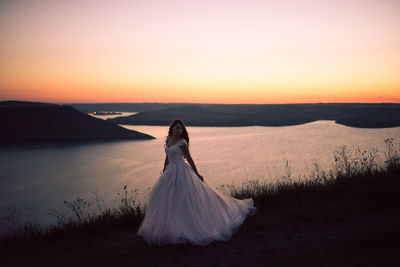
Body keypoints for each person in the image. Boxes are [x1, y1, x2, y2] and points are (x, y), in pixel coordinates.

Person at [137, 119, 256, 246]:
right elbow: (167, 158)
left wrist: (197, 173)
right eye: (177, 128)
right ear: (172, 128)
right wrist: (164, 170)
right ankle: (171, 225)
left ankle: (189, 224)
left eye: (181, 128)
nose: (179, 130)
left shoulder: (182, 143)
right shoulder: (168, 140)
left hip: (181, 171)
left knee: (186, 198)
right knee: (171, 200)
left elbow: (189, 158)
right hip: (170, 172)